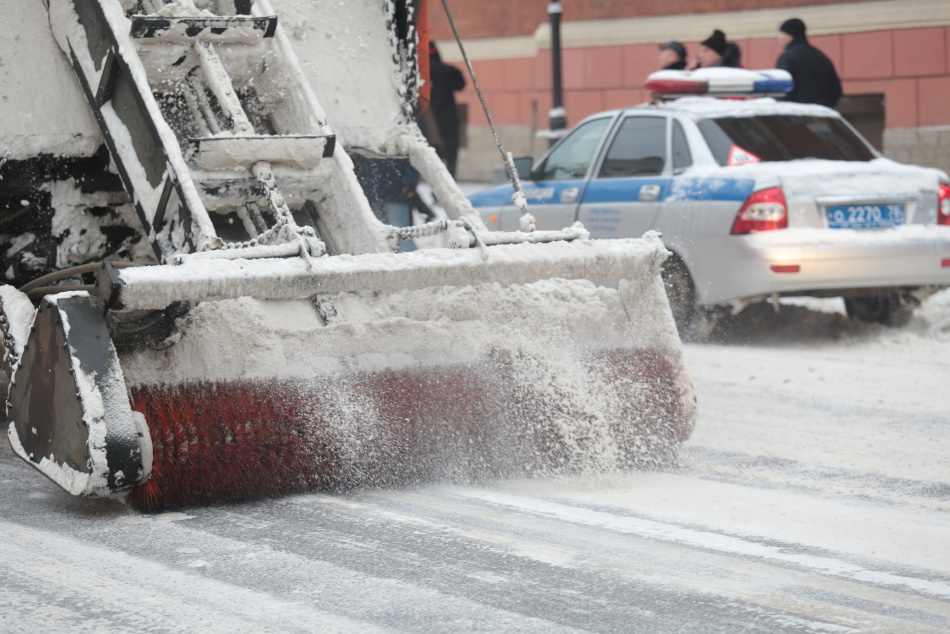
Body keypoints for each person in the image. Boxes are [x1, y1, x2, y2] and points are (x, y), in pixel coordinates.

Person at [776, 18, 842, 108]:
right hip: (822, 116)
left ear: (789, 35)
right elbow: (836, 91)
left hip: (797, 117)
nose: (778, 38)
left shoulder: (787, 58)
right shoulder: (822, 57)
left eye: (781, 34)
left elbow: (781, 91)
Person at [426, 43, 466, 177]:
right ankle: (450, 181)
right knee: (451, 153)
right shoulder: (449, 71)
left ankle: (434, 185)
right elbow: (460, 85)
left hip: (428, 119)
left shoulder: (421, 73)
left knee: (431, 155)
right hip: (449, 117)